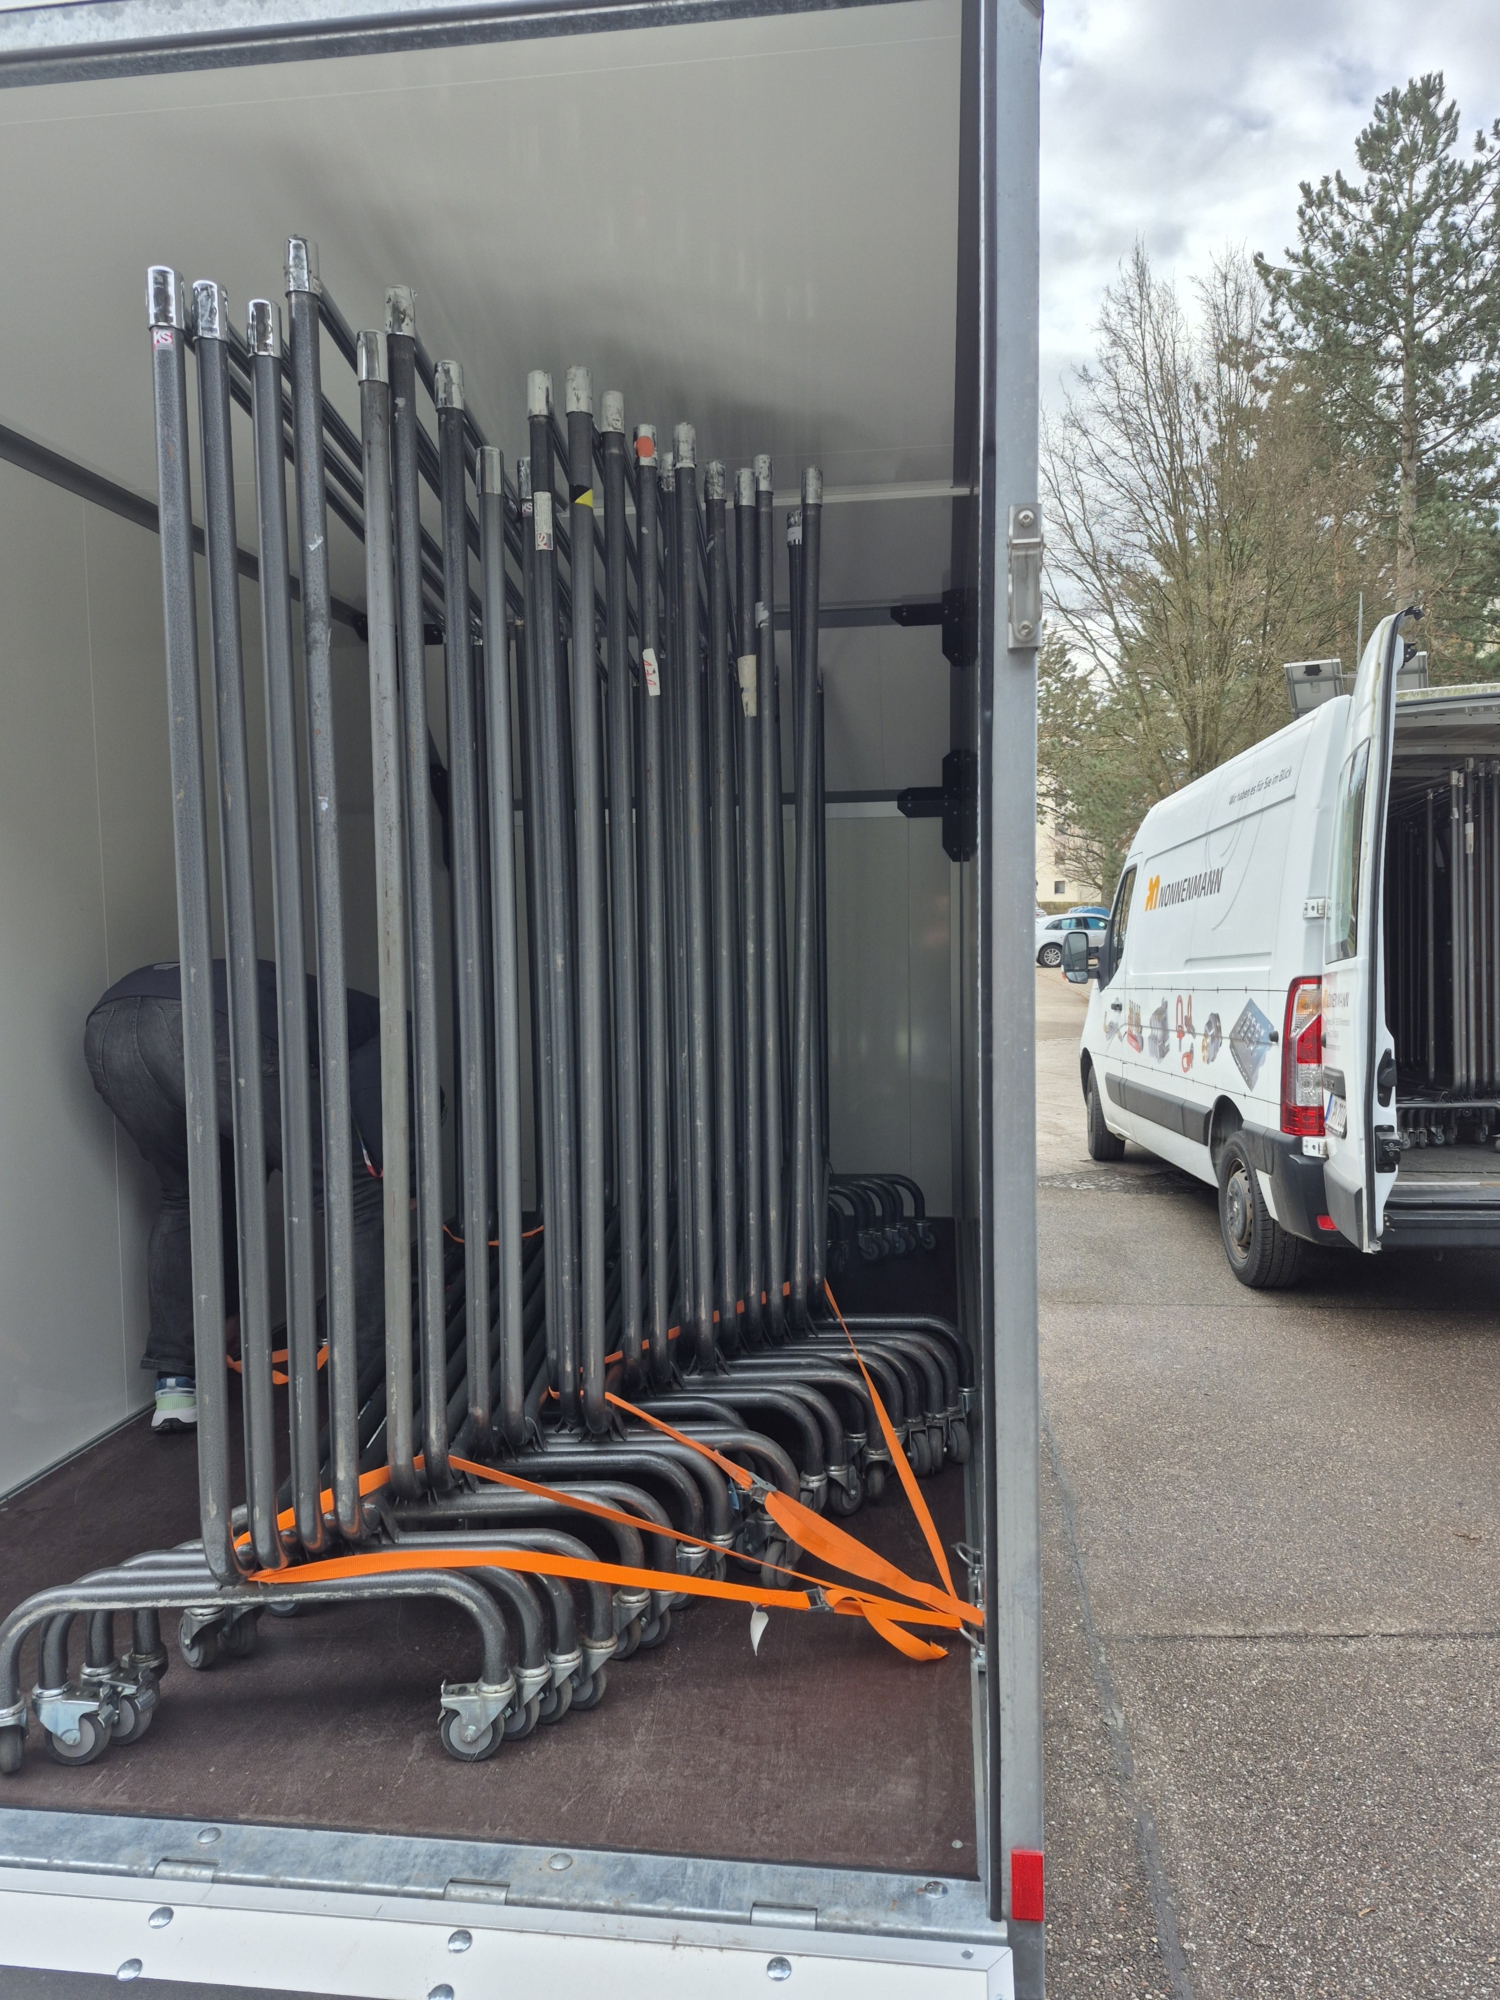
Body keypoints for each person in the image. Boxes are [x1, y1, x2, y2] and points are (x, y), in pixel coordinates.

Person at [85, 960, 387, 1434]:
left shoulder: (305, 1004)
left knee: (188, 1195)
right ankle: (371, 1383)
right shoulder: (392, 1027)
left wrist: (227, 1308)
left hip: (110, 1026)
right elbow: (367, 1094)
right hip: (206, 1021)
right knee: (356, 1195)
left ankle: (176, 1386)